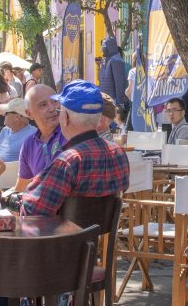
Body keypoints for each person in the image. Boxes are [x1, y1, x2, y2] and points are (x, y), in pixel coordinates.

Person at [21, 80, 130, 216]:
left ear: (65, 118)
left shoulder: (67, 161)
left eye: (60, 110)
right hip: (100, 235)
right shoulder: (119, 153)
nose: (54, 111)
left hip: (65, 235)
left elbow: (33, 211)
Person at [13, 83, 66, 193]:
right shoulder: (29, 144)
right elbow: (21, 186)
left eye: (55, 101)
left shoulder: (71, 133)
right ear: (29, 114)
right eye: (43, 105)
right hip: (42, 207)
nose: (52, 108)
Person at [0, 97, 37, 162]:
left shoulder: (33, 135)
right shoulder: (5, 130)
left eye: (6, 113)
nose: (3, 115)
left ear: (17, 117)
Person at [99, 35, 128, 108]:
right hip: (104, 100)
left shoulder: (116, 61)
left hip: (113, 101)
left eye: (104, 48)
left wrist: (120, 103)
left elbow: (119, 84)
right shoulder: (105, 60)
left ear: (110, 48)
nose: (102, 50)